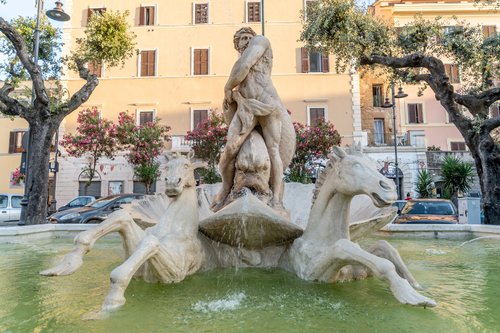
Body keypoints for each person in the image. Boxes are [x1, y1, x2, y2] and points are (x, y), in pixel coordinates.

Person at [211, 27, 295, 211]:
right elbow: (241, 74)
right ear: (237, 45)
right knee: (230, 149)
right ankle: (226, 188)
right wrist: (233, 97)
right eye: (242, 39)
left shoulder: (261, 42)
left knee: (274, 151)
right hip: (247, 108)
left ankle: (276, 198)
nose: (247, 41)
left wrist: (227, 88)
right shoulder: (238, 62)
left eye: (249, 37)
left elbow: (245, 66)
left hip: (267, 103)